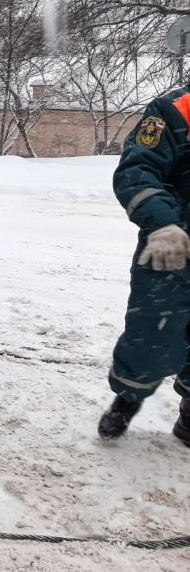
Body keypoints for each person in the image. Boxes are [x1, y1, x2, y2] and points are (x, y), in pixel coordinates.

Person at [99, 83, 190, 445]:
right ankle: (127, 401)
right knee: (152, 332)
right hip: (172, 248)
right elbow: (137, 168)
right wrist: (163, 222)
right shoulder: (177, 109)